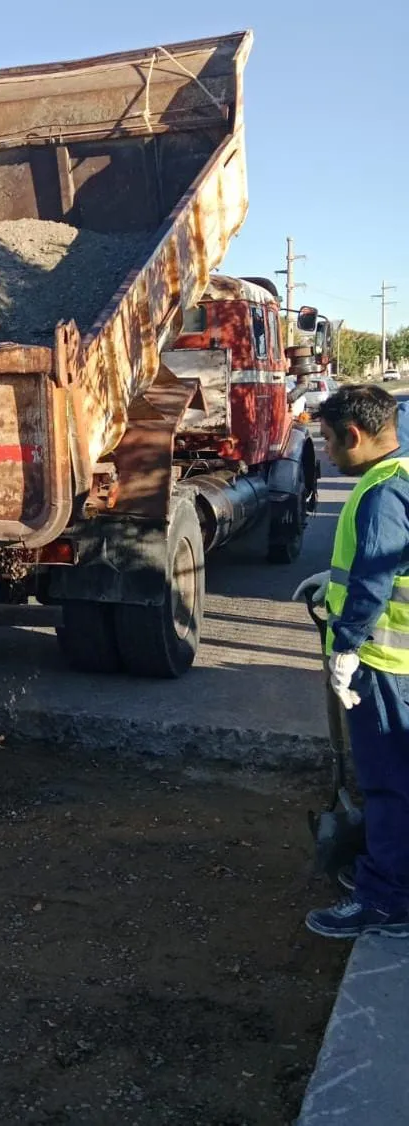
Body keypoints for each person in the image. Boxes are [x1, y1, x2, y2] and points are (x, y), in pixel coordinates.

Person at [293, 385, 409, 938]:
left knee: (388, 784)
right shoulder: (404, 474)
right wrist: (331, 582)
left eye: (330, 443)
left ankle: (385, 900)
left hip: (385, 666)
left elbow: (372, 582)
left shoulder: (382, 493)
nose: (329, 453)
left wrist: (345, 648)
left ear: (355, 436)